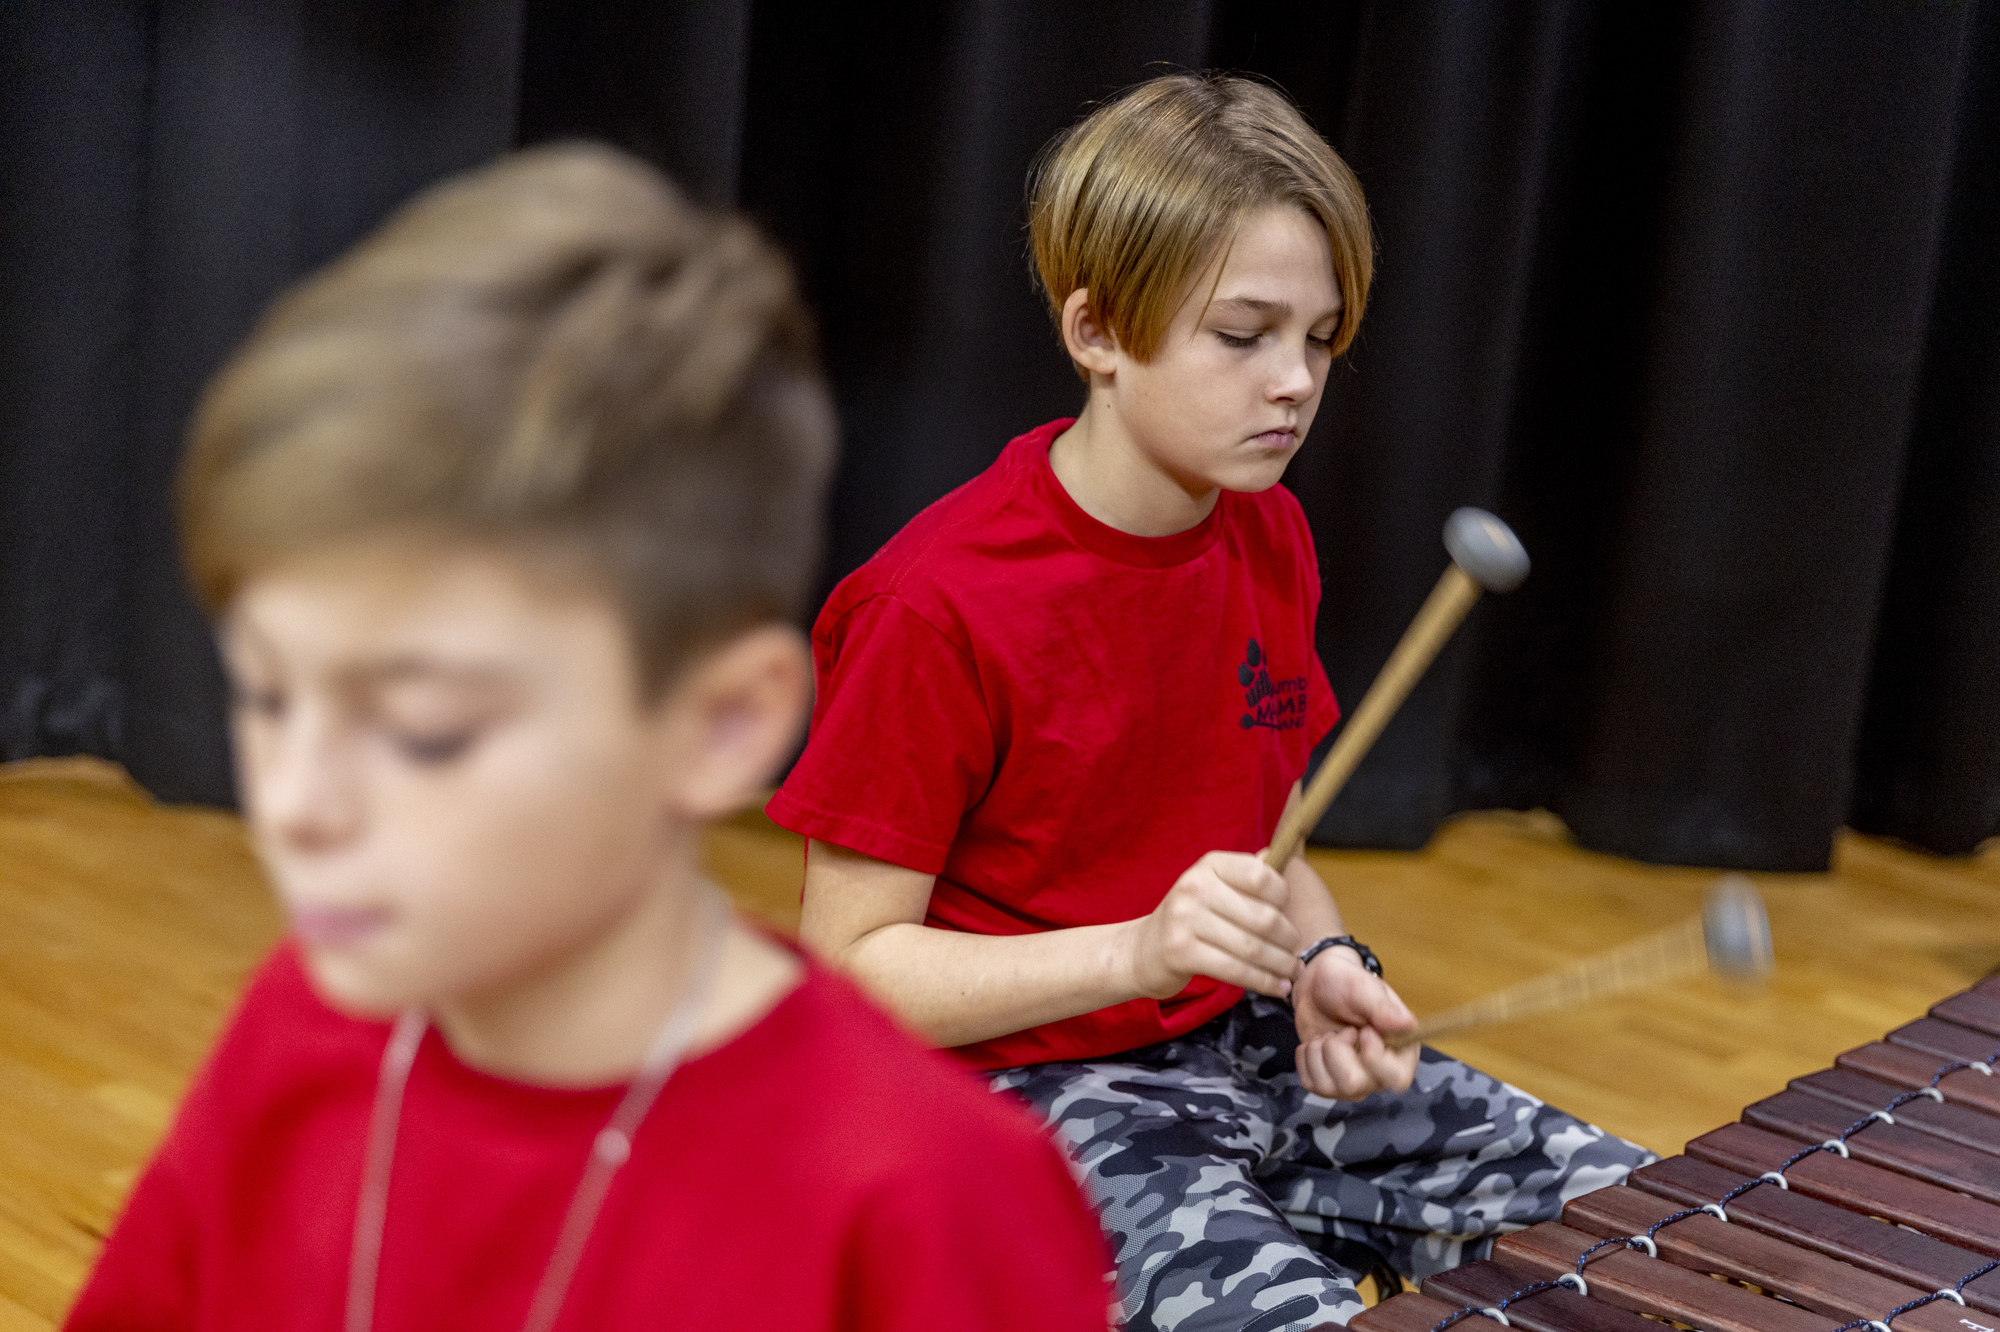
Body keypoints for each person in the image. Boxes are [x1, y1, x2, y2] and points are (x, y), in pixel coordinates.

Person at [66, 144, 1112, 1332]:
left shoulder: (928, 1197)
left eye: (422, 731)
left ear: (721, 725)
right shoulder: (303, 1031)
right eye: (266, 698)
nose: (297, 800)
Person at [770, 73, 1653, 1329]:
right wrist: (1135, 952)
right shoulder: (935, 607)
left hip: (1233, 1044)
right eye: (1242, 336)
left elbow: (1267, 819)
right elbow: (848, 973)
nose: (1292, 382)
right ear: (1095, 331)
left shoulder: (1266, 534)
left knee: (1642, 1239)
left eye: (1318, 338)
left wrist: (1324, 962)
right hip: (1018, 1089)